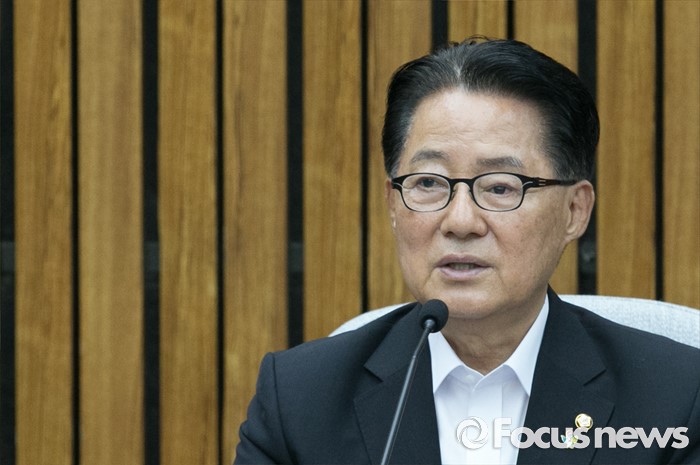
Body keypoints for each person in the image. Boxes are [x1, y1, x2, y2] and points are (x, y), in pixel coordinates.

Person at [234, 38, 700, 464]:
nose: (460, 221)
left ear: (574, 211)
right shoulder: (300, 400)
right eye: (428, 183)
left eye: (500, 187)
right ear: (393, 204)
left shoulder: (676, 398)